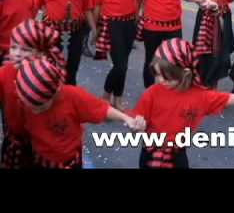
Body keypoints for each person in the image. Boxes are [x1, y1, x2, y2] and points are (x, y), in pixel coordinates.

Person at [131, 38, 234, 168]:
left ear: (185, 73)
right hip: (150, 152)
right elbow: (137, 121)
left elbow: (227, 98)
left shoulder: (200, 96)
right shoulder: (152, 93)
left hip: (177, 155)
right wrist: (137, 124)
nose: (160, 80)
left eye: (166, 76)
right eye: (156, 74)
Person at [15, 54, 145, 169]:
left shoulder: (71, 96)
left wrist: (126, 118)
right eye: (30, 106)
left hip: (70, 160)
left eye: (41, 106)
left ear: (55, 92)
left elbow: (101, 108)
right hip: (40, 159)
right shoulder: (25, 100)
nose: (34, 110)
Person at [0, 19, 64, 168]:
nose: (17, 54)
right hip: (14, 143)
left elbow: (62, 108)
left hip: (44, 143)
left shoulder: (49, 75)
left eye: (26, 50)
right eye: (14, 47)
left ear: (41, 53)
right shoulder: (4, 73)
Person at [91, 0, 138, 110]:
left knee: (123, 63)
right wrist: (95, 30)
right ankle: (105, 94)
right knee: (120, 64)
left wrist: (136, 14)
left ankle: (116, 98)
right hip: (112, 22)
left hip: (129, 21)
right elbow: (96, 4)